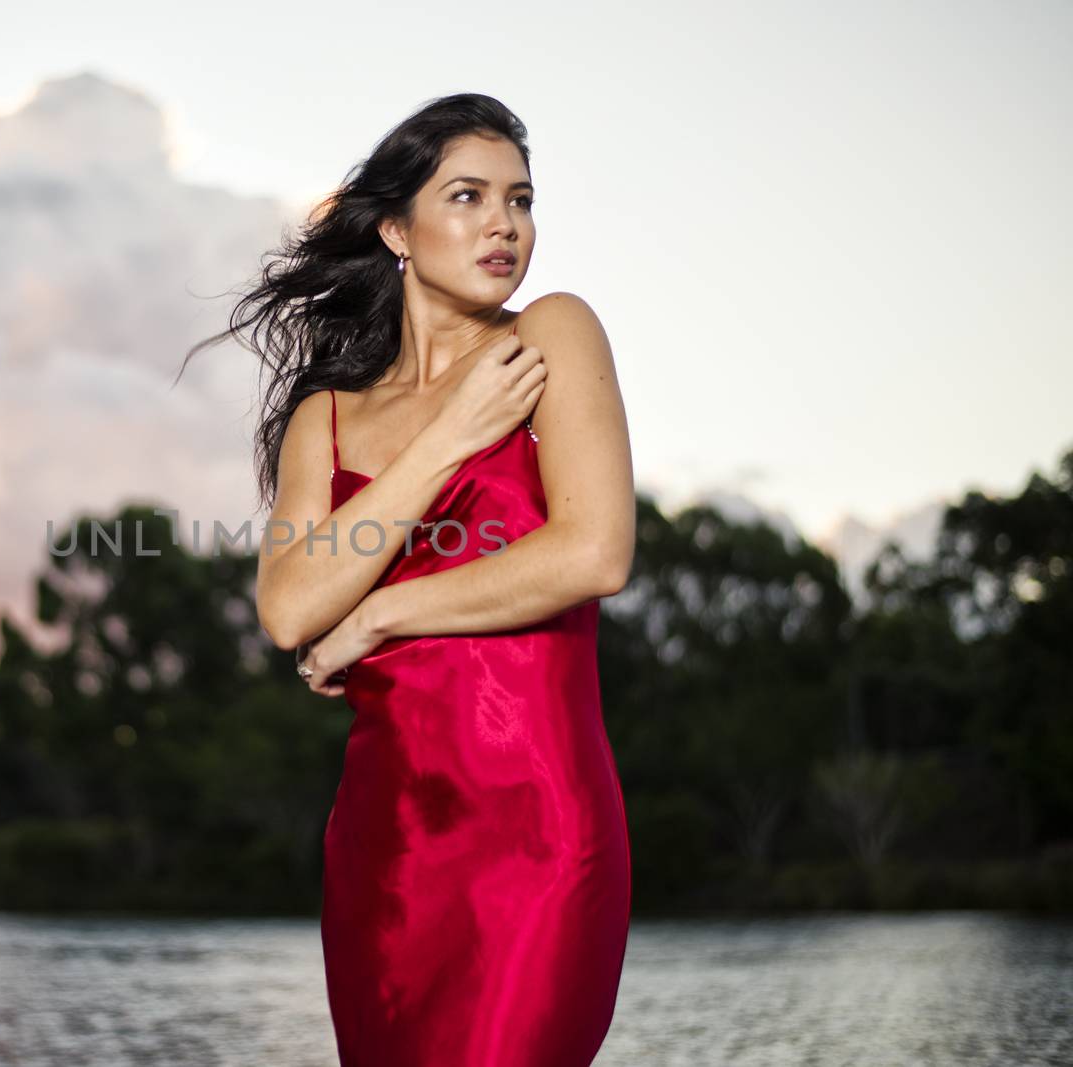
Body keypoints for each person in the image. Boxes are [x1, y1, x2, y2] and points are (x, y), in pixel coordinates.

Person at [187, 93, 635, 1066]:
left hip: (538, 822)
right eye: (467, 196)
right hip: (387, 845)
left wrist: (380, 613)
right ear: (396, 226)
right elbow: (290, 606)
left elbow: (592, 552)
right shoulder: (329, 417)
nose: (503, 223)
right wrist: (448, 437)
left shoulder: (549, 335)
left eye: (519, 199)